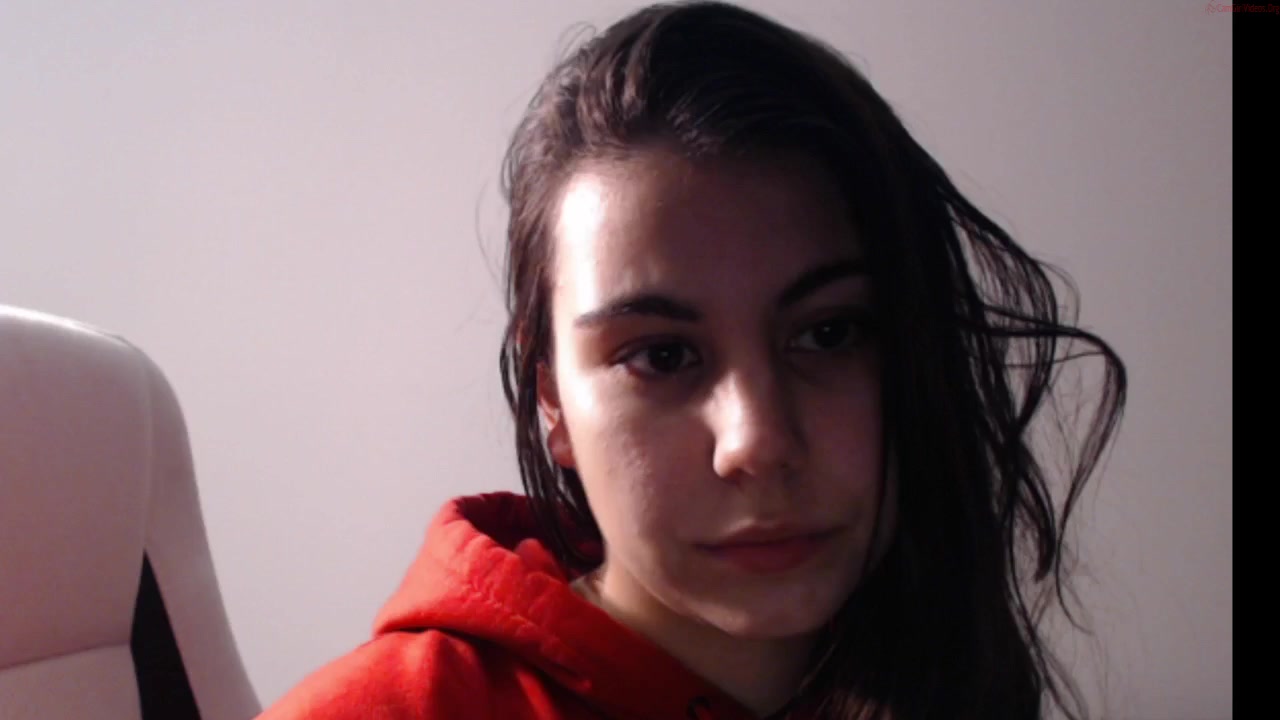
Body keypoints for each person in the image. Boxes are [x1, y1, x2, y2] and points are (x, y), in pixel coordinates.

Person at [258, 2, 1127, 719]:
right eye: (663, 354)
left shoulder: (951, 675)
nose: (758, 441)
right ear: (552, 399)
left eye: (830, 333)